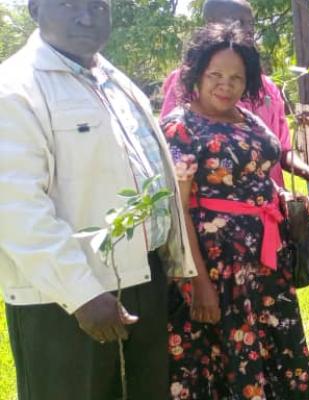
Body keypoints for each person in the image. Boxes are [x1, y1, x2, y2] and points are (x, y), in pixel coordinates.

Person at [0, 0, 198, 398]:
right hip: (66, 300)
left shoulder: (111, 79)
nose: (87, 16)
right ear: (35, 9)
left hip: (139, 278)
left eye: (98, 5)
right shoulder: (15, 89)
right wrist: (82, 294)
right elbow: (15, 209)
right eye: (70, 4)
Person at [162, 23, 309, 399]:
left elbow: (257, 174)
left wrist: (282, 198)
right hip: (218, 269)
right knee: (225, 359)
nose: (225, 85)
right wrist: (198, 282)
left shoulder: (249, 118)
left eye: (236, 77)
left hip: (265, 264)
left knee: (277, 351)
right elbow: (178, 213)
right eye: (215, 74)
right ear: (196, 73)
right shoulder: (180, 128)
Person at [159, 0, 309, 188]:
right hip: (211, 211)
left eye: (250, 23)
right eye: (237, 22)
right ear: (210, 24)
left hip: (269, 209)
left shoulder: (266, 88)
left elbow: (282, 150)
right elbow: (170, 153)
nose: (248, 30)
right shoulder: (188, 83)